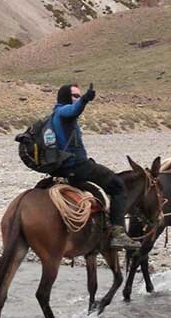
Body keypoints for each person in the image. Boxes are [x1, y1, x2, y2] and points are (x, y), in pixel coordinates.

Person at [50, 83, 140, 250]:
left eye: (78, 95)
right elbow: (73, 110)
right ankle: (118, 233)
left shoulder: (54, 115)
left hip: (63, 168)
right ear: (65, 97)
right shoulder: (63, 112)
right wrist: (84, 99)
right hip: (78, 165)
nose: (77, 98)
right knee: (118, 186)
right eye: (74, 95)